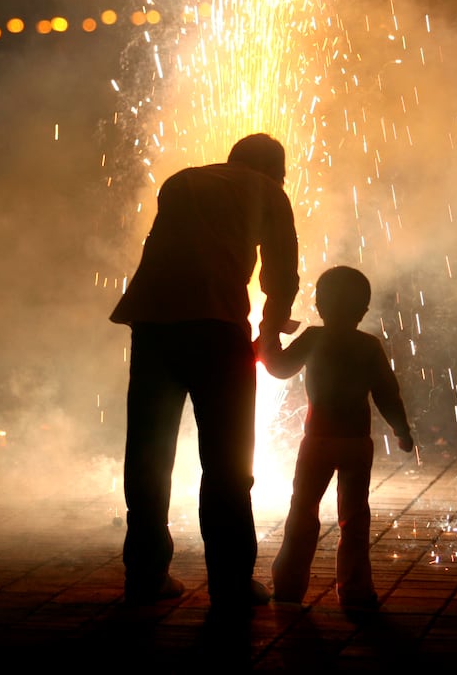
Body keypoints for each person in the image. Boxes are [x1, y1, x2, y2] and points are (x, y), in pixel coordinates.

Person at [110, 133, 300, 612]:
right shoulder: (269, 192)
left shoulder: (182, 181)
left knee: (149, 456)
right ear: (276, 171)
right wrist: (269, 333)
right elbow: (281, 277)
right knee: (228, 463)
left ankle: (146, 575)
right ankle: (231, 583)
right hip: (217, 328)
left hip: (153, 324)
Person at [256, 265, 414, 612]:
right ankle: (356, 591)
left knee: (302, 510)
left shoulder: (314, 338)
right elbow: (388, 393)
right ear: (363, 310)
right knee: (354, 518)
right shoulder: (369, 346)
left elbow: (280, 368)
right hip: (357, 442)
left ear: (319, 305)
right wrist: (400, 429)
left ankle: (288, 587)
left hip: (318, 440)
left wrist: (268, 338)